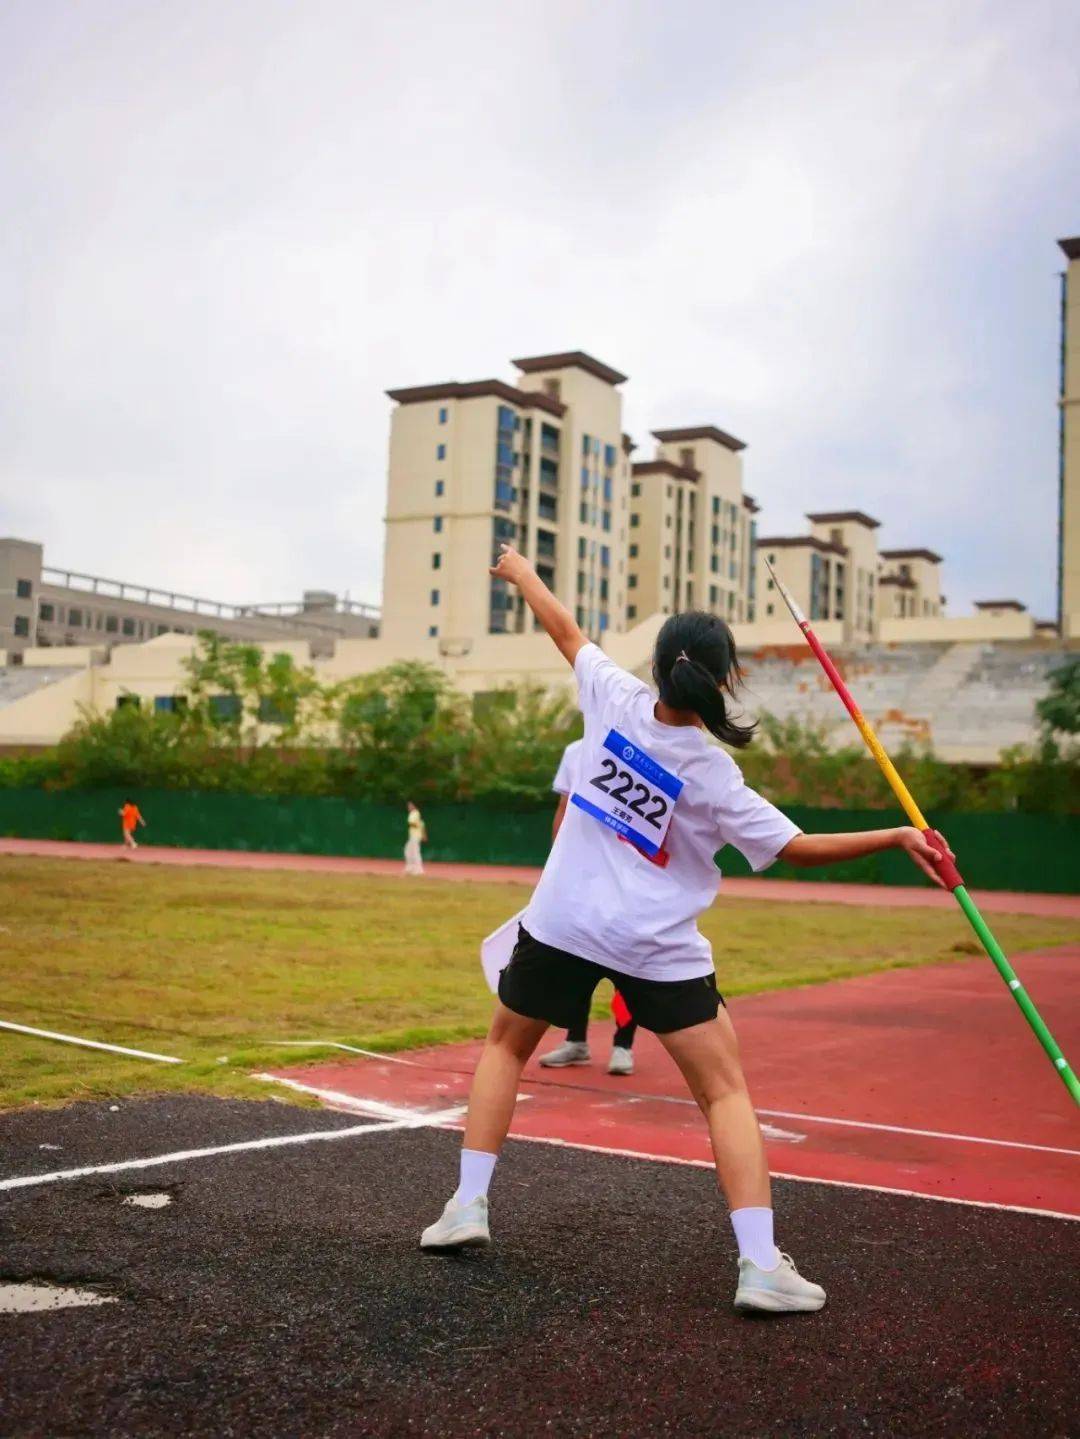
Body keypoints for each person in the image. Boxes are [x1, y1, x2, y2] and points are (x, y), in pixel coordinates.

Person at [420, 543, 952, 1315]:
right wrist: (898, 837)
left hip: (564, 923)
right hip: (655, 946)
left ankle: (467, 1206)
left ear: (663, 664)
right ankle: (761, 1264)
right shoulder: (713, 774)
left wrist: (519, 569)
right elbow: (795, 848)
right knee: (725, 1091)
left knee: (505, 1045)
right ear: (720, 677)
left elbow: (564, 629)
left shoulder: (613, 699)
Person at [539, 737, 638, 1076]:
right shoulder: (575, 751)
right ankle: (576, 1041)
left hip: (626, 879)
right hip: (582, 878)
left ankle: (623, 1045)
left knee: (626, 969)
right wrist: (557, 868)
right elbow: (563, 810)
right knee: (576, 963)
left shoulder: (637, 754)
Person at [404, 800, 426, 876]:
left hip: (415, 836)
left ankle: (419, 870)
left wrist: (415, 825)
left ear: (414, 805)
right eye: (408, 805)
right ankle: (410, 868)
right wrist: (423, 834)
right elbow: (422, 824)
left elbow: (412, 823)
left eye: (410, 805)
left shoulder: (414, 813)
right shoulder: (416, 813)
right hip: (414, 835)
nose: (409, 807)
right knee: (408, 850)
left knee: (415, 852)